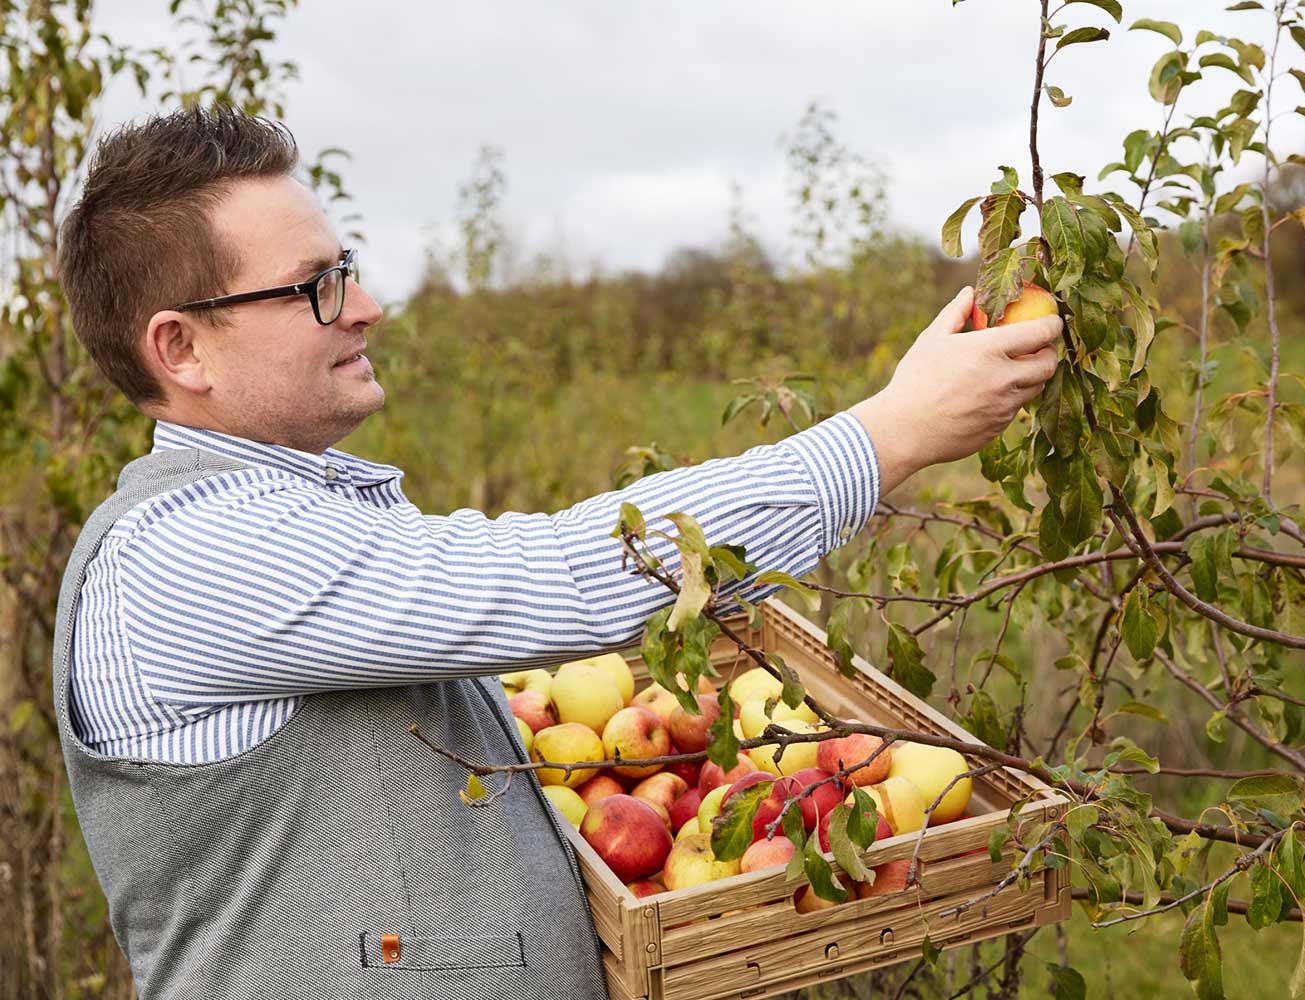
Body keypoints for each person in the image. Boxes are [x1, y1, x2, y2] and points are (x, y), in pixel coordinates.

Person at [52, 107, 1061, 998]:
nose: (365, 307)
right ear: (181, 348)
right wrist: (887, 436)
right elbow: (561, 573)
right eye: (314, 287)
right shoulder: (188, 556)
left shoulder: (288, 518)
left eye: (347, 269)